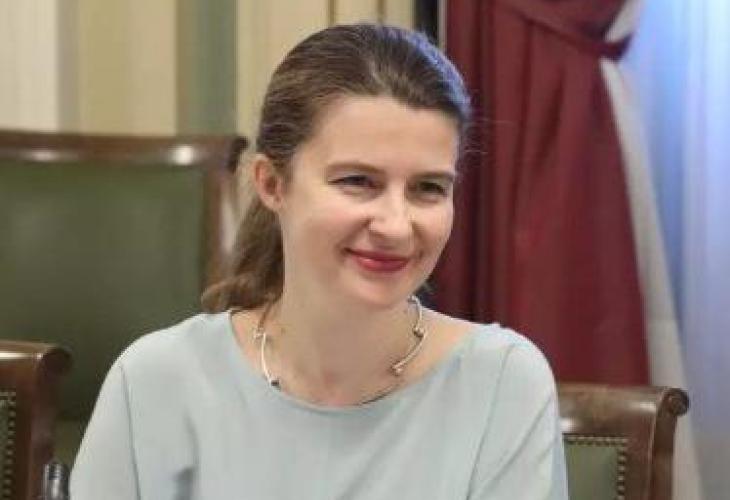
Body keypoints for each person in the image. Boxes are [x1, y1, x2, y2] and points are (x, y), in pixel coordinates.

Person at [70, 23, 568, 499]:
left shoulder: (503, 383)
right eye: (357, 181)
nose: (396, 225)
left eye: (428, 188)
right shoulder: (154, 383)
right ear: (272, 184)